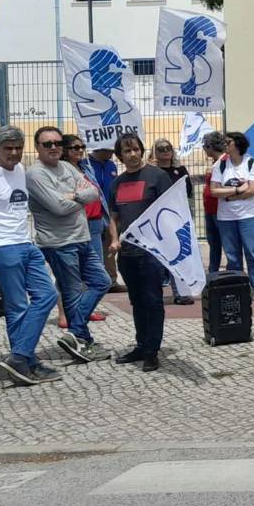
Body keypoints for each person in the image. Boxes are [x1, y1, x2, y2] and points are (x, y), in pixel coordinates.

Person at [0, 126, 60, 384]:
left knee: (47, 295)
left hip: (25, 243)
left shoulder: (21, 170)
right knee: (18, 306)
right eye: (7, 148)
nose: (13, 153)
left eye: (18, 147)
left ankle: (20, 357)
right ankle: (27, 362)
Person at [26, 126, 112, 363]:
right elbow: (58, 208)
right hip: (59, 243)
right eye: (47, 144)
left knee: (102, 281)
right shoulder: (36, 174)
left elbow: (94, 192)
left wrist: (72, 197)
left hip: (82, 237)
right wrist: (78, 197)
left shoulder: (67, 167)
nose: (54, 147)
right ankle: (84, 342)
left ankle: (74, 333)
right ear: (38, 148)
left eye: (57, 142)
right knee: (73, 293)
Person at [110, 133, 173, 373]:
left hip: (151, 252)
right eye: (127, 151)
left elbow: (169, 212)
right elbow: (114, 216)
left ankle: (152, 351)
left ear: (142, 150)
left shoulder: (158, 177)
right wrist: (115, 240)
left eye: (136, 149)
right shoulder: (117, 183)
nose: (133, 154)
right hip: (127, 253)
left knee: (153, 301)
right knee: (136, 301)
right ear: (121, 156)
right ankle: (141, 344)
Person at [61, 134, 114, 326]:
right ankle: (65, 314)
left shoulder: (85, 167)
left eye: (82, 146)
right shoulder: (62, 170)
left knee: (95, 269)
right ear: (65, 150)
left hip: (96, 221)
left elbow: (97, 193)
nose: (80, 150)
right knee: (72, 270)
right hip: (77, 223)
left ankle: (85, 309)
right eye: (75, 147)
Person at [208, 131, 254, 302]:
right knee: (232, 254)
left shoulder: (251, 163)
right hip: (226, 217)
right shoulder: (220, 165)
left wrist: (229, 196)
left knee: (252, 250)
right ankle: (239, 287)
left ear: (238, 145)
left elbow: (253, 189)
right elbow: (214, 190)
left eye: (228, 142)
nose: (225, 145)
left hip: (249, 215)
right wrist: (236, 190)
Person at [151, 138, 195, 305]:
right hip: (159, 219)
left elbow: (188, 190)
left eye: (168, 148)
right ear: (155, 152)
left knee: (179, 254)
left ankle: (181, 293)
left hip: (178, 217)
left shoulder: (180, 170)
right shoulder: (152, 171)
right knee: (158, 257)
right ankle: (154, 292)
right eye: (161, 149)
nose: (165, 151)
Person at [84, 145, 122, 292]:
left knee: (111, 247)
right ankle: (94, 282)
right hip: (94, 212)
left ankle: (111, 281)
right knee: (94, 249)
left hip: (110, 212)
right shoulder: (86, 164)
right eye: (110, 151)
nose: (113, 153)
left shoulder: (111, 165)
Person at [198, 133, 225, 276]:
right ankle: (213, 271)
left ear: (210, 146)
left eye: (204, 146)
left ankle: (229, 271)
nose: (203, 149)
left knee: (223, 242)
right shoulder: (215, 162)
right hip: (210, 209)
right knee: (213, 242)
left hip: (219, 210)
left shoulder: (223, 162)